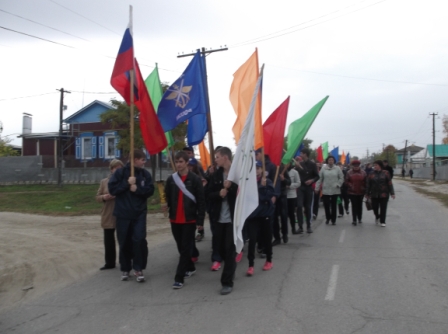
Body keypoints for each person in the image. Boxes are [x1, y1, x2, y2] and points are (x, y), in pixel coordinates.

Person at [108, 149, 154, 282]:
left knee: (139, 240)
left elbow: (150, 190)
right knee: (124, 241)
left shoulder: (145, 174)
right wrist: (126, 184)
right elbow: (113, 189)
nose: (144, 162)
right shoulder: (120, 173)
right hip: (123, 213)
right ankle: (125, 268)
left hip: (139, 213)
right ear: (135, 160)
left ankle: (138, 268)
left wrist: (137, 189)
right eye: (142, 160)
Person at [165, 151, 206, 289]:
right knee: (180, 246)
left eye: (181, 161)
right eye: (176, 162)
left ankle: (179, 277)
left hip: (189, 219)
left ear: (187, 162)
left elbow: (201, 200)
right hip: (175, 219)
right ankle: (190, 266)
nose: (178, 164)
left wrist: (200, 220)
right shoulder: (171, 179)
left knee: (185, 248)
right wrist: (166, 205)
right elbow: (167, 196)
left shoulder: (194, 179)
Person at [206, 146, 238, 295]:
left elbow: (244, 194)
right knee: (221, 249)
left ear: (225, 157)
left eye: (217, 157)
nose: (215, 159)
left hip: (233, 218)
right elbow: (208, 194)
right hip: (219, 218)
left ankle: (227, 282)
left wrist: (230, 188)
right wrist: (219, 193)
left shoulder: (237, 173)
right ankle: (231, 268)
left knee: (230, 249)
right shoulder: (216, 175)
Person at [245, 161, 275, 276]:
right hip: (253, 216)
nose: (257, 170)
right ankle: (251, 265)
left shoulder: (267, 182)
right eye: (255, 168)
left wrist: (262, 187)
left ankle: (269, 260)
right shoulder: (249, 183)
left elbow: (267, 197)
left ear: (262, 170)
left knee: (267, 238)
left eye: (259, 168)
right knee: (252, 240)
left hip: (265, 214)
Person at [96, 159, 124, 270]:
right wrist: (104, 197)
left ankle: (124, 261)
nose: (118, 170)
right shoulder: (104, 182)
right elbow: (97, 197)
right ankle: (110, 262)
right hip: (108, 214)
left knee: (123, 239)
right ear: (111, 170)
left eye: (120, 168)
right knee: (108, 240)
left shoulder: (125, 180)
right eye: (116, 168)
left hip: (121, 213)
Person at [295, 148, 320, 233]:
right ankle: (300, 226)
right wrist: (297, 167)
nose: (300, 154)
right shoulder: (299, 164)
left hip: (308, 188)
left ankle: (308, 226)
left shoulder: (312, 164)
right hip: (301, 187)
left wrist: (312, 180)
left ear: (305, 154)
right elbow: (296, 174)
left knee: (308, 207)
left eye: (301, 153)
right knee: (299, 206)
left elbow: (317, 176)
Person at [365, 160, 396, 227]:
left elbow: (389, 183)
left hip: (384, 194)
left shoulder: (386, 173)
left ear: (380, 166)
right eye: (374, 165)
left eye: (376, 165)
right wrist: (367, 193)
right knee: (375, 207)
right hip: (374, 194)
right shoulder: (371, 174)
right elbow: (368, 184)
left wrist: (392, 193)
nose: (375, 166)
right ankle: (377, 216)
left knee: (383, 208)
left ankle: (383, 221)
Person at [315, 155, 344, 225]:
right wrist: (317, 188)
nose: (331, 161)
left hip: (335, 189)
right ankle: (328, 218)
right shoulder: (323, 168)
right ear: (327, 161)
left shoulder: (337, 168)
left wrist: (338, 184)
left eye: (332, 160)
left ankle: (333, 220)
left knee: (334, 205)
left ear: (334, 161)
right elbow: (320, 178)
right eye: (329, 160)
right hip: (326, 190)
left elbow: (341, 178)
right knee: (326, 205)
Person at [188, 157, 208, 243]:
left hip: (198, 199)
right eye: (188, 165)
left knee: (199, 215)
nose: (189, 167)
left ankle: (200, 231)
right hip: (189, 200)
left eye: (191, 166)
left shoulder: (199, 175)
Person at [272, 164, 291, 245]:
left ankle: (285, 234)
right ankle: (277, 237)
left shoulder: (283, 168)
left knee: (283, 216)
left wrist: (284, 179)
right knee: (274, 217)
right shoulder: (270, 167)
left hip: (282, 194)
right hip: (273, 195)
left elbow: (289, 182)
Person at [345, 160, 367, 226]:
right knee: (354, 206)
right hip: (352, 192)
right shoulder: (349, 173)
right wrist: (350, 185)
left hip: (361, 192)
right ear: (353, 166)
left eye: (357, 166)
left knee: (359, 205)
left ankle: (359, 218)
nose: (356, 167)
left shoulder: (363, 173)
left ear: (359, 166)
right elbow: (346, 181)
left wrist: (365, 189)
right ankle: (354, 220)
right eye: (355, 166)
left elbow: (366, 182)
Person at [286, 164, 301, 234]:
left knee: (291, 213)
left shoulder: (294, 172)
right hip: (283, 195)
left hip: (292, 195)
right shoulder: (281, 172)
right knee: (284, 214)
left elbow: (298, 183)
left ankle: (293, 228)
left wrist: (289, 186)